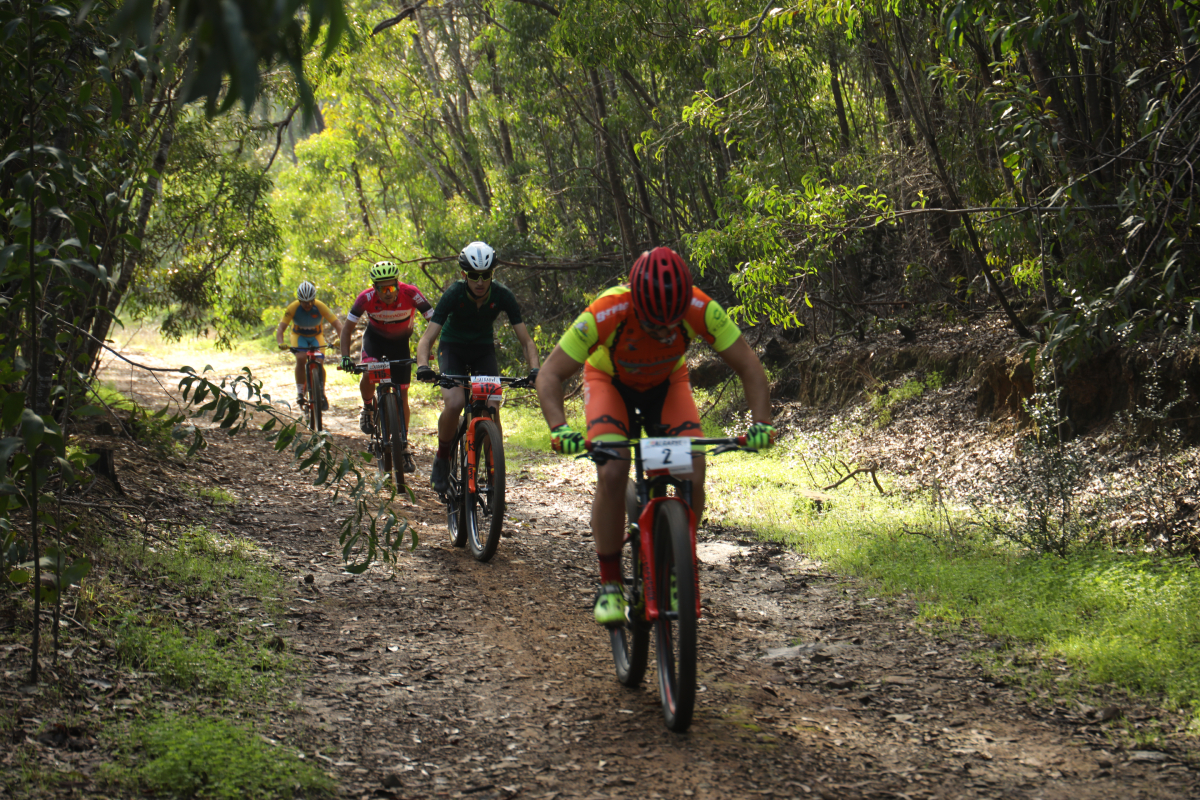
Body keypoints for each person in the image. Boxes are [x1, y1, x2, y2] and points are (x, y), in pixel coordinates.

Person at [535, 247, 776, 625]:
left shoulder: (701, 307)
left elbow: (748, 363)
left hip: (666, 385)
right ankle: (610, 582)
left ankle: (680, 560)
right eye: (653, 325)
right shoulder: (607, 310)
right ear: (636, 304)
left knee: (692, 469)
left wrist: (761, 421)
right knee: (613, 470)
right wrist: (559, 428)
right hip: (609, 383)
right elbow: (549, 374)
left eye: (672, 324)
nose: (665, 333)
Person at [415, 241, 540, 494]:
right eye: (474, 276)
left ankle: (494, 470)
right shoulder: (454, 293)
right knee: (455, 403)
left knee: (492, 408)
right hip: (452, 348)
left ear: (492, 274)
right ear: (464, 275)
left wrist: (535, 370)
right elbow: (428, 338)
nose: (480, 282)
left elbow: (526, 340)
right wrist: (423, 365)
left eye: (485, 275)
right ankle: (443, 455)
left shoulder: (503, 295)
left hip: (483, 350)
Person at [338, 261, 433, 472]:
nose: (388, 293)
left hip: (400, 345)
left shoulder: (411, 293)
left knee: (403, 395)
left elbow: (434, 321)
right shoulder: (365, 298)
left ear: (398, 285)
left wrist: (429, 350)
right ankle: (367, 407)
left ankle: (404, 443)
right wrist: (345, 357)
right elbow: (347, 329)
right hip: (375, 341)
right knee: (369, 371)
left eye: (391, 287)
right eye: (383, 289)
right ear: (375, 288)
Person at [275, 280, 341, 409]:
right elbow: (281, 329)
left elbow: (338, 325)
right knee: (301, 358)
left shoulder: (320, 306)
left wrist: (340, 339)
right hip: (299, 337)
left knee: (319, 362)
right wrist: (280, 342)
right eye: (304, 302)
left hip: (316, 337)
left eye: (310, 301)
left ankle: (321, 392)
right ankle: (300, 392)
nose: (308, 305)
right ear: (299, 301)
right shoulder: (292, 308)